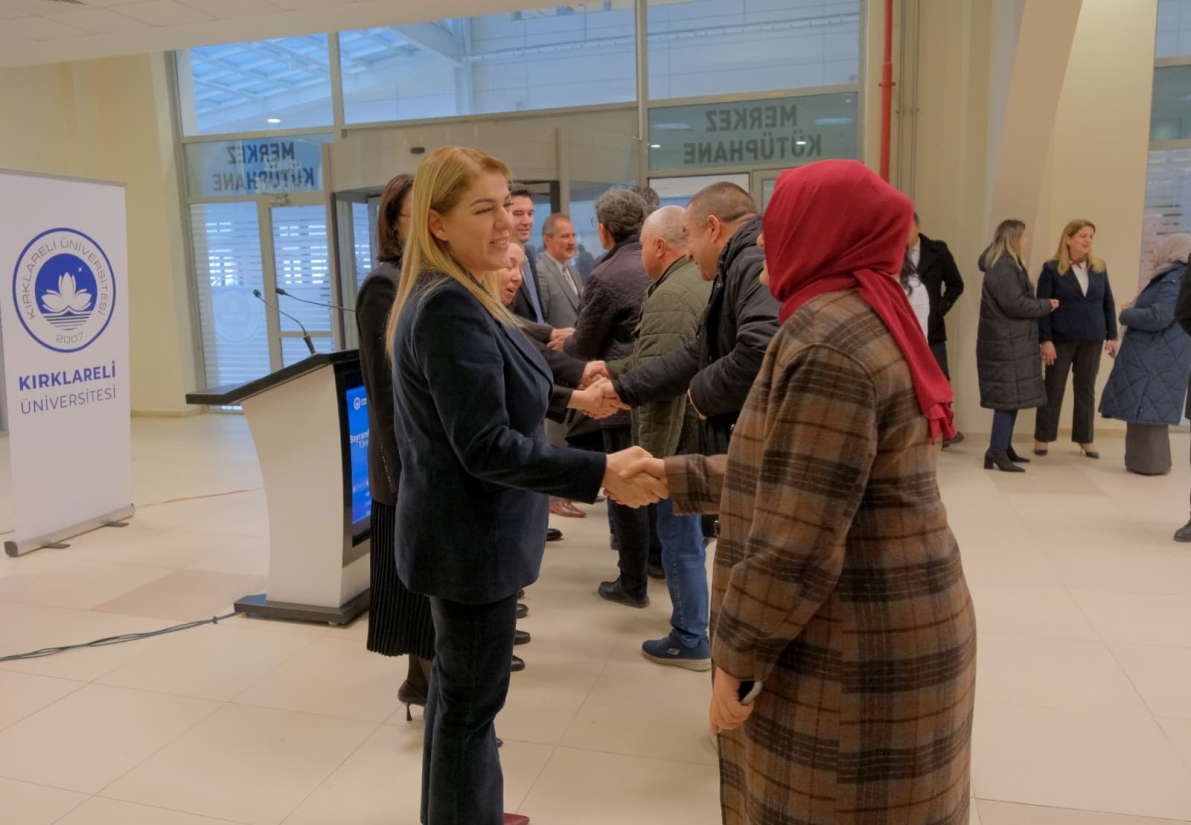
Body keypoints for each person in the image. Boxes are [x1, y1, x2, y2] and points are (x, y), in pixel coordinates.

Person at [623, 160, 975, 825]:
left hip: (850, 645)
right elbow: (798, 471)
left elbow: (797, 540)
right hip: (891, 618)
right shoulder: (865, 311)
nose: (763, 242)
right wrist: (673, 474)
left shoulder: (825, 342)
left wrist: (736, 661)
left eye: (778, 222)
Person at [386, 146, 662, 825]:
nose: (506, 223)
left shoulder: (464, 292)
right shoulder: (448, 305)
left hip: (468, 537)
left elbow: (506, 375)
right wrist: (600, 472)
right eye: (484, 209)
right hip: (469, 542)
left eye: (506, 206)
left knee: (460, 701)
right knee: (470, 708)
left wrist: (575, 395)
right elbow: (484, 445)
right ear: (438, 223)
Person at [602, 182, 780, 491]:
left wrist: (702, 391)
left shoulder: (749, 263)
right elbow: (701, 351)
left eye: (689, 236)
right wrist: (624, 389)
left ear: (713, 228)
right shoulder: (736, 265)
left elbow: (760, 351)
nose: (688, 253)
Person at [608, 205, 713, 668]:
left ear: (659, 246)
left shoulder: (672, 296)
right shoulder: (694, 281)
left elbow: (659, 391)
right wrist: (609, 373)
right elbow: (654, 360)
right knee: (690, 540)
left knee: (680, 542)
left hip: (679, 445)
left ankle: (690, 636)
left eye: (643, 248)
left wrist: (647, 464)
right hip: (698, 439)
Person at [355, 173, 437, 717]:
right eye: (418, 216)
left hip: (426, 462)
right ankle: (431, 690)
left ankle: (420, 683)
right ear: (393, 224)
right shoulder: (383, 286)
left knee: (424, 593)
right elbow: (384, 396)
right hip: (403, 465)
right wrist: (406, 477)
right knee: (418, 595)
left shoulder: (429, 279)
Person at [563, 189, 655, 608]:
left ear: (603, 231)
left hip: (618, 396)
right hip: (657, 392)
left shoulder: (607, 274)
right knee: (654, 482)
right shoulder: (661, 263)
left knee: (626, 490)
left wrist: (560, 345)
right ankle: (657, 563)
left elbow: (583, 345)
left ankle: (632, 583)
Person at [1101, 234, 1191, 476]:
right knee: (1145, 409)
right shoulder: (1174, 276)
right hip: (1158, 354)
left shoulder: (1174, 277)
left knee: (1148, 410)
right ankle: (1144, 463)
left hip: (1156, 355)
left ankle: (1150, 465)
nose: (1153, 255)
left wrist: (1127, 315)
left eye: (1157, 249)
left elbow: (1161, 316)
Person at [976, 219, 1058, 472]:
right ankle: (997, 450)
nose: (1026, 241)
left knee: (1012, 398)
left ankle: (1003, 446)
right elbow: (1014, 304)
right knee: (1008, 399)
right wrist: (1046, 305)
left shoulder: (1006, 264)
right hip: (1006, 344)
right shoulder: (1003, 267)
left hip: (1010, 342)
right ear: (1013, 239)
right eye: (1024, 236)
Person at [1034, 220, 1119, 459]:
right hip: (1060, 339)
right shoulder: (1051, 269)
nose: (1088, 240)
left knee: (1086, 389)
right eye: (1083, 236)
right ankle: (1043, 437)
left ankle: (1085, 438)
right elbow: (1043, 307)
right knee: (1053, 388)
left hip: (1092, 338)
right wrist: (1046, 340)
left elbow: (1108, 303)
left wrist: (1112, 335)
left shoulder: (1099, 267)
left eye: (1091, 236)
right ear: (1068, 239)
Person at [906, 212, 966, 447]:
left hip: (933, 329)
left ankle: (944, 430)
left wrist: (939, 309)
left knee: (940, 379)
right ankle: (919, 431)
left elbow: (956, 284)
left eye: (907, 227)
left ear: (918, 226)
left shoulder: (937, 250)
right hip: (906, 327)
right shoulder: (893, 252)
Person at [507, 185, 546, 324]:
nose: (527, 221)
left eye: (530, 214)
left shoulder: (528, 253)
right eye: (518, 214)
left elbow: (536, 309)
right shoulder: (495, 261)